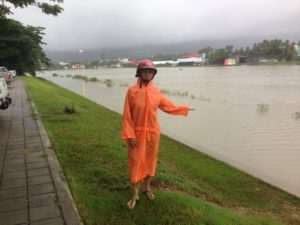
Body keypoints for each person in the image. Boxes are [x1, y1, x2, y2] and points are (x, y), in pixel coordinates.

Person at [122, 59, 193, 209]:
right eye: (145, 71)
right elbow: (127, 115)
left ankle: (147, 187)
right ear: (139, 73)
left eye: (150, 71)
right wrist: (130, 135)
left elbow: (168, 106)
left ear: (153, 74)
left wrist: (184, 108)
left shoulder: (156, 92)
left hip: (153, 133)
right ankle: (135, 194)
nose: (147, 74)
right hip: (137, 134)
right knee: (135, 162)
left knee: (150, 161)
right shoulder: (132, 91)